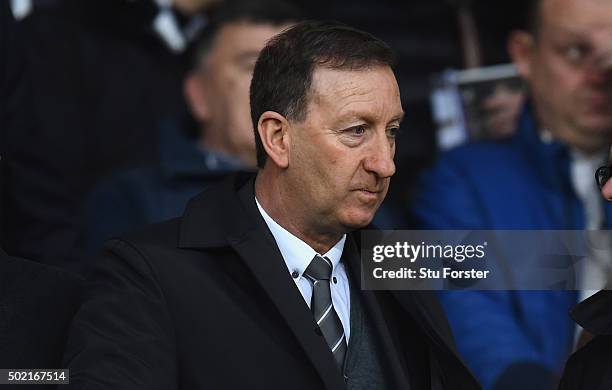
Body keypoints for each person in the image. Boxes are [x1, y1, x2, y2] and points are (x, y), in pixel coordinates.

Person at [63, 21, 481, 389]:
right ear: (278, 138)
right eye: (356, 131)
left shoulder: (399, 269)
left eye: (391, 131)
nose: (385, 163)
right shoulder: (149, 273)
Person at [409, 0, 612, 389]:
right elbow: (468, 307)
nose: (599, 75)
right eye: (574, 51)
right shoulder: (465, 178)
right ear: (524, 54)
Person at [84, 0, 300, 255]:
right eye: (253, 67)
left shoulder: (351, 195)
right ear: (199, 95)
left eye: (296, 70)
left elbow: (362, 286)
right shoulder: (130, 202)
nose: (279, 86)